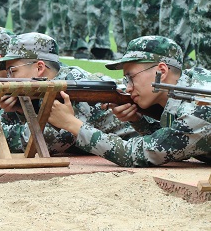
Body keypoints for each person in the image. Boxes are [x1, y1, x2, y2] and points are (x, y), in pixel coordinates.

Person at [48, 36, 211, 166]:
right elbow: (174, 145)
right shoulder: (186, 87)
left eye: (131, 78)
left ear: (161, 71)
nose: (129, 88)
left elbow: (137, 154)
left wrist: (72, 124)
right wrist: (137, 120)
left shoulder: (200, 106)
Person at [0, 33, 137, 153]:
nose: (8, 79)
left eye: (12, 71)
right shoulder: (43, 89)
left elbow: (38, 143)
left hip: (136, 143)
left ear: (39, 68)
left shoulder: (70, 89)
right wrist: (19, 111)